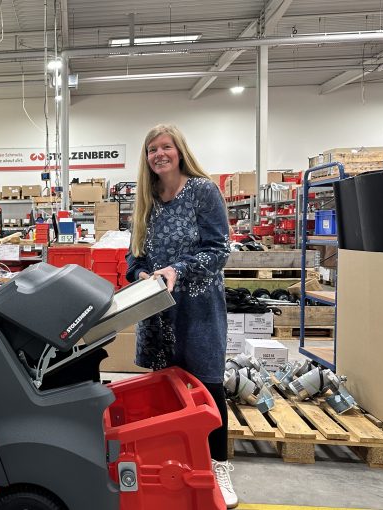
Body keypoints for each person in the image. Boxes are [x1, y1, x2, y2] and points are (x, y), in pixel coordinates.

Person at [125, 124, 236, 508]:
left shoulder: (202, 191)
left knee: (208, 386)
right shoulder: (146, 198)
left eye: (165, 147)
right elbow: (133, 254)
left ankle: (218, 463)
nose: (159, 154)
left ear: (179, 151)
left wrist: (179, 269)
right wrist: (139, 272)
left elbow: (220, 250)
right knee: (165, 387)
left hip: (198, 308)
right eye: (152, 148)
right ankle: (175, 462)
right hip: (158, 310)